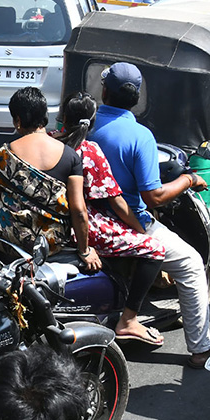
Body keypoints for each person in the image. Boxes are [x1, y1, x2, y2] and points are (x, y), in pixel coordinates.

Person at [88, 63, 210, 367]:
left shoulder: (86, 123)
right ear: (136, 99)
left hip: (88, 219)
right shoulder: (139, 136)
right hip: (128, 222)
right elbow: (154, 196)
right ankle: (201, 349)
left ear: (104, 91)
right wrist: (189, 180)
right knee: (190, 264)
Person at [58, 93, 167, 347]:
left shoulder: (54, 144)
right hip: (84, 225)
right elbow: (117, 201)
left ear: (63, 118)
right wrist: (141, 229)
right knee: (155, 250)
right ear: (92, 121)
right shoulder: (90, 150)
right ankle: (129, 320)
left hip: (56, 223)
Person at [0, 87, 97, 269]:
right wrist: (85, 251)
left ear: (18, 120)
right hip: (51, 244)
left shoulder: (4, 155)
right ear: (44, 116)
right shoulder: (70, 156)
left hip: (10, 240)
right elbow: (79, 211)